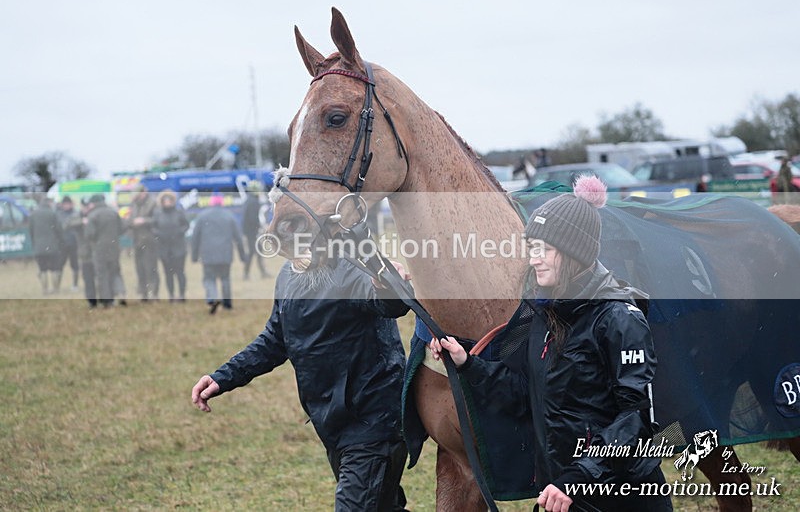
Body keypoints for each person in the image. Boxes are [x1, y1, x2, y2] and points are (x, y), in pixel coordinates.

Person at [431, 175, 672, 512]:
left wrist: (578, 478)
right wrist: (467, 364)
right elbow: (524, 393)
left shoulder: (619, 318)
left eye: (544, 249)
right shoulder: (538, 314)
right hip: (562, 495)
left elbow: (637, 422)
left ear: (574, 252)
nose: (534, 259)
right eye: (533, 248)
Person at [192, 256, 411, 511]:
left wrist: (387, 284)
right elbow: (275, 339)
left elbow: (391, 304)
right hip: (333, 423)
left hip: (374, 419)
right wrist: (222, 378)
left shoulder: (354, 266)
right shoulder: (288, 274)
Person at [191, 194, 245, 313]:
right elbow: (238, 237)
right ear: (222, 203)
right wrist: (242, 255)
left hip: (208, 254)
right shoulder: (229, 216)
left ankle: (212, 298)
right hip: (225, 254)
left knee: (209, 278)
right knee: (225, 278)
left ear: (211, 203)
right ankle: (227, 304)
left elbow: (195, 237)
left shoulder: (202, 216)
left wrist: (194, 256)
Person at [85, 194, 124, 308]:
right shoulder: (113, 212)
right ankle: (117, 295)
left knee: (102, 275)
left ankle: (107, 301)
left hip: (99, 249)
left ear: (94, 203)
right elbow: (121, 228)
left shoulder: (92, 215)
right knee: (113, 272)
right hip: (114, 248)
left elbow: (89, 234)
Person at [152, 190, 189, 302]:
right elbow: (153, 227)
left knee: (180, 272)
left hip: (178, 248)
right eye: (165, 201)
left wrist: (179, 232)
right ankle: (171, 295)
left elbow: (186, 225)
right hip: (164, 248)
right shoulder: (158, 214)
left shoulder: (179, 212)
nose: (167, 203)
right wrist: (159, 234)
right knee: (168, 273)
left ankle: (182, 294)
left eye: (169, 201)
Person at [127, 184, 160, 301]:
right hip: (137, 241)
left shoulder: (153, 203)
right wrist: (132, 222)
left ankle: (154, 294)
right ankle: (144, 293)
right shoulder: (134, 204)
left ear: (144, 193)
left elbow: (157, 220)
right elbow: (129, 220)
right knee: (140, 268)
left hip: (150, 241)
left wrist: (144, 221)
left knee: (151, 268)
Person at [28, 196, 64, 294]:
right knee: (55, 268)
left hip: (39, 247)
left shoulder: (33, 214)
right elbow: (59, 230)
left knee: (42, 269)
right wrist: (61, 242)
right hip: (53, 247)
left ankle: (45, 290)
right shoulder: (52, 213)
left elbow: (31, 231)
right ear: (48, 203)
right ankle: (56, 289)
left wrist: (35, 244)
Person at [241, 181, 270, 280]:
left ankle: (262, 272)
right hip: (252, 232)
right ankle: (246, 274)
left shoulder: (249, 200)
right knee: (253, 252)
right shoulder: (254, 202)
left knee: (257, 251)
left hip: (250, 232)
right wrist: (259, 228)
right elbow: (253, 219)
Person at [56, 195, 80, 291]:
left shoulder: (76, 214)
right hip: (62, 244)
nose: (66, 206)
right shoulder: (58, 214)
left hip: (74, 243)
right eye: (64, 204)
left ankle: (75, 285)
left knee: (75, 265)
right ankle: (57, 286)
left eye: (68, 204)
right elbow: (58, 228)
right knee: (59, 265)